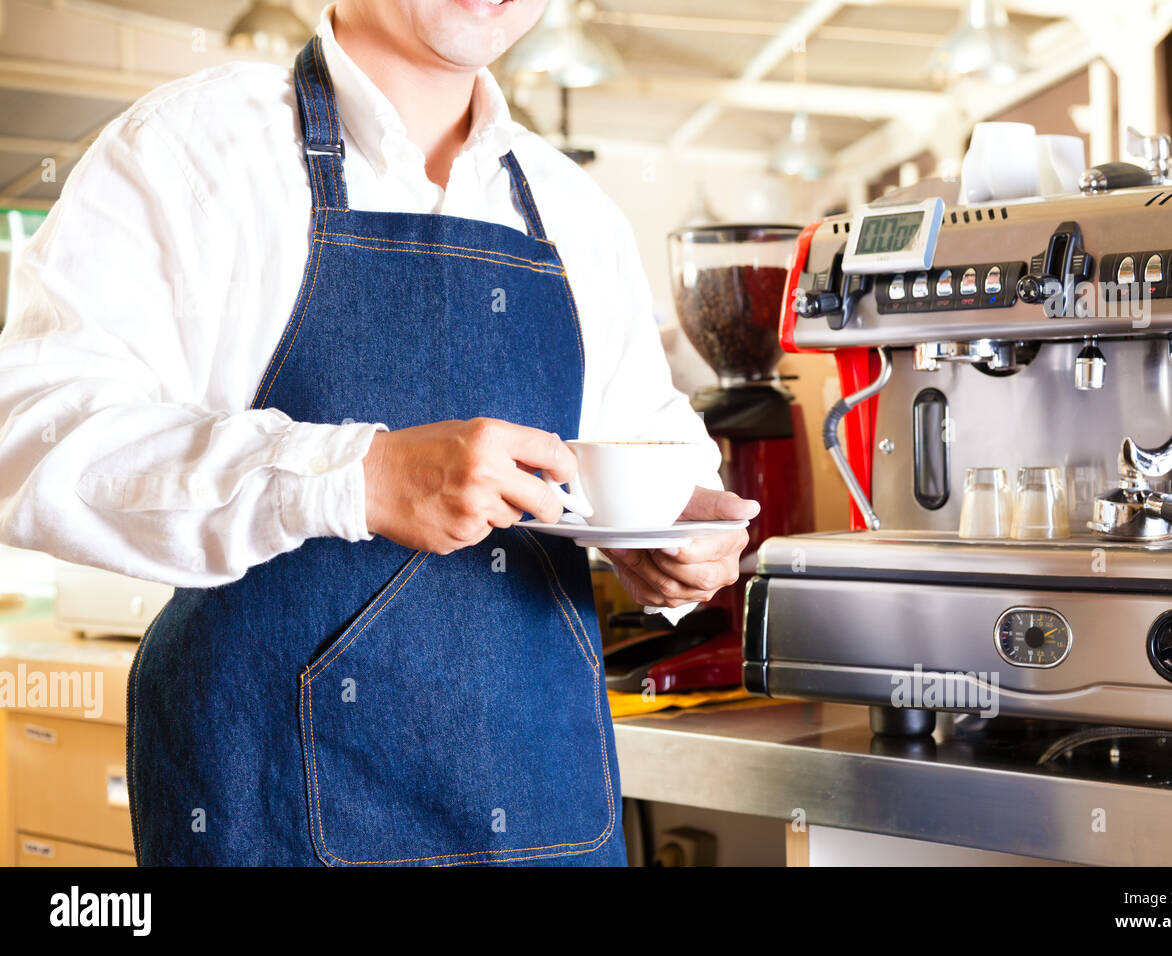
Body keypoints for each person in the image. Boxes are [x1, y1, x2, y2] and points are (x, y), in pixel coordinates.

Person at [0, 0, 757, 866]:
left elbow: (648, 448)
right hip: (263, 816)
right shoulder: (190, 152)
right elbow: (27, 437)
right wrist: (352, 475)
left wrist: (680, 545)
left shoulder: (577, 212)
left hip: (549, 819)